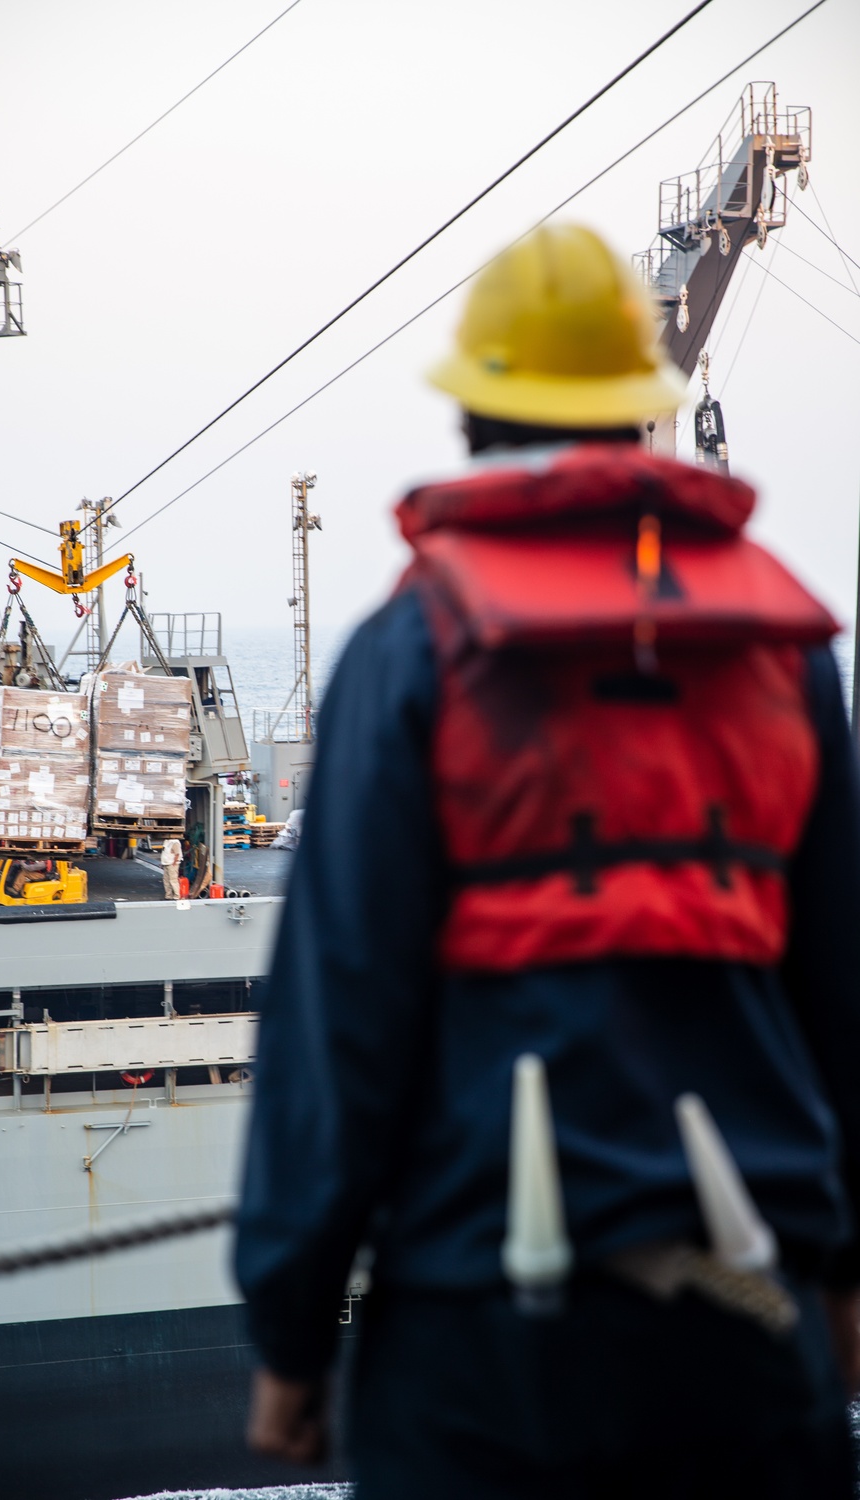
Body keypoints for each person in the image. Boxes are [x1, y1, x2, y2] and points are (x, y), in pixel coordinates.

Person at [234, 224, 860, 1498]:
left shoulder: (409, 652)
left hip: (482, 1353)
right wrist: (841, 1283)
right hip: (747, 1339)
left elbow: (337, 1025)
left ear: (470, 418)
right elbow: (844, 997)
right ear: (644, 416)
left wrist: (291, 1341)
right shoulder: (782, 651)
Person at [160, 835, 182, 900]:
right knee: (166, 880)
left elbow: (177, 854)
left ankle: (177, 895)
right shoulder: (166, 841)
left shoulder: (175, 842)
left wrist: (174, 863)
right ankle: (168, 895)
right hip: (166, 863)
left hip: (172, 864)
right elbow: (164, 852)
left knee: (173, 880)